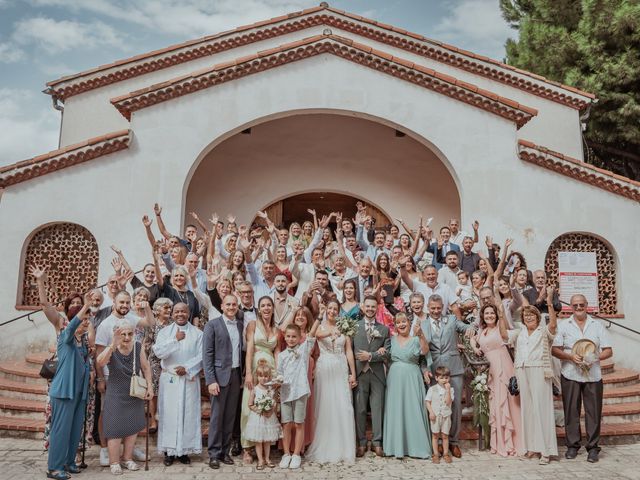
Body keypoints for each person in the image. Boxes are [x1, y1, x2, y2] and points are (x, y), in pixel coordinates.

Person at [552, 294, 613, 463]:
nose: (578, 308)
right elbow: (555, 350)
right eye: (575, 305)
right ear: (570, 307)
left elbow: (608, 350)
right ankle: (573, 446)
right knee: (571, 411)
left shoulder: (597, 325)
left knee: (593, 413)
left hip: (593, 375)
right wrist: (570, 357)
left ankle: (593, 448)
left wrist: (595, 357)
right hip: (570, 373)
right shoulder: (563, 325)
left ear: (587, 305)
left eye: (581, 305)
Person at [96, 319, 154, 475]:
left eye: (130, 333)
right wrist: (112, 344)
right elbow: (100, 362)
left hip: (134, 393)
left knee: (132, 427)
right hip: (116, 393)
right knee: (114, 428)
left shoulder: (137, 347)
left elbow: (146, 367)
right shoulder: (112, 348)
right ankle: (114, 462)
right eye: (123, 334)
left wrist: (150, 386)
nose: (127, 337)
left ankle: (127, 458)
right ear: (116, 334)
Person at [419, 294, 473, 458]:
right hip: (434, 368)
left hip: (454, 368)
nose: (436, 311)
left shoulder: (451, 319)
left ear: (443, 307)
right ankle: (439, 443)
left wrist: (471, 328)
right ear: (428, 308)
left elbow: (465, 327)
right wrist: (424, 369)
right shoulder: (423, 324)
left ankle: (454, 442)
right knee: (436, 407)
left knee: (455, 406)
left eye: (438, 308)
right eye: (433, 308)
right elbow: (421, 351)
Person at [305, 299, 357, 464]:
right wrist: (330, 332)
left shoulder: (345, 326)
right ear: (326, 309)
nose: (333, 311)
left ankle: (344, 447)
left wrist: (352, 373)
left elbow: (348, 351)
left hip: (341, 367)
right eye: (330, 308)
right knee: (325, 405)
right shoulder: (320, 326)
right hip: (325, 368)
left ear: (339, 311)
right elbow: (314, 335)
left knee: (343, 405)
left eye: (335, 309)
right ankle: (324, 444)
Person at [46, 294, 92, 480]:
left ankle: (69, 462)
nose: (87, 323)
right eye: (84, 320)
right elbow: (72, 326)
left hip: (79, 393)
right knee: (60, 430)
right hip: (64, 391)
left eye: (88, 320)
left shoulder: (83, 342)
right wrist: (85, 305)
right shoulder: (65, 338)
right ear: (74, 321)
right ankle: (54, 468)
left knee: (74, 431)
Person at [152, 303, 204, 466]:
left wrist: (187, 368)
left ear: (189, 313)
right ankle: (169, 451)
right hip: (170, 379)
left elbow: (202, 356)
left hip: (189, 378)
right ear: (172, 314)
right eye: (177, 311)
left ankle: (184, 451)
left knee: (188, 414)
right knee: (169, 414)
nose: (180, 314)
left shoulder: (197, 333)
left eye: (183, 311)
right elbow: (158, 352)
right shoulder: (165, 332)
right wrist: (175, 339)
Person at [472, 303, 525, 457]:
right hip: (490, 371)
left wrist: (501, 313)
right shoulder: (482, 330)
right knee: (495, 404)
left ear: (496, 315)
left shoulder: (499, 328)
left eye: (492, 313)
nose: (489, 316)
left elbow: (505, 336)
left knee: (507, 403)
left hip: (503, 366)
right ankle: (498, 442)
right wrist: (475, 348)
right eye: (486, 313)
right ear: (482, 316)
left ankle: (513, 442)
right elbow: (473, 340)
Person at [511, 294, 559, 465]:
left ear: (538, 317)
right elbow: (504, 335)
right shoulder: (521, 332)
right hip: (522, 369)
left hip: (540, 369)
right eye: (526, 315)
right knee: (528, 409)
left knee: (541, 409)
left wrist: (550, 304)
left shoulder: (543, 330)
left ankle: (546, 451)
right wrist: (501, 313)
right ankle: (531, 447)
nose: (529, 317)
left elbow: (553, 325)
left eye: (531, 315)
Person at [203, 295, 244, 469]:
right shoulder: (212, 325)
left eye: (234, 304)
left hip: (235, 376)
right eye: (228, 304)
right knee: (217, 417)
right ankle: (213, 453)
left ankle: (225, 451)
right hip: (219, 378)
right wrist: (211, 380)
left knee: (230, 417)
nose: (231, 307)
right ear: (222, 306)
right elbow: (207, 355)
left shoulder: (240, 325)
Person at [383, 313, 431, 459]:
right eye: (398, 322)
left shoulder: (416, 339)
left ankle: (417, 447)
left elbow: (425, 351)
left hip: (412, 377)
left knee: (413, 409)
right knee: (396, 410)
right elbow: (385, 356)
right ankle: (396, 446)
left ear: (409, 324)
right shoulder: (391, 340)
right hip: (395, 379)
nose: (402, 324)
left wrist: (421, 335)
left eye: (404, 321)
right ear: (395, 326)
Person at [240, 296, 280, 463]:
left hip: (269, 370)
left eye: (269, 305)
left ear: (272, 308)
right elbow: (249, 349)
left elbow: (277, 352)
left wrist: (278, 375)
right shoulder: (252, 325)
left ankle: (265, 447)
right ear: (259, 308)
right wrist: (249, 372)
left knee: (268, 405)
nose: (266, 308)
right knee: (248, 406)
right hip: (256, 368)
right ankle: (247, 448)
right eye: (263, 305)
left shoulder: (277, 329)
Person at [277, 320, 320, 469]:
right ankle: (286, 453)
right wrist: (277, 381)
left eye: (294, 336)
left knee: (298, 423)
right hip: (286, 392)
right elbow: (279, 374)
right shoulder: (281, 356)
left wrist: (319, 317)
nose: (290, 339)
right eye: (288, 336)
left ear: (299, 337)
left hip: (300, 391)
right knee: (287, 424)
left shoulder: (303, 350)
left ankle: (296, 454)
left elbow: (312, 334)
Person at [352, 296, 391, 457]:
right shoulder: (354, 326)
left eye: (373, 306)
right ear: (363, 307)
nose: (370, 309)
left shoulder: (383, 329)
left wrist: (371, 355)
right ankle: (361, 442)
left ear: (377, 308)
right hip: (360, 373)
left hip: (377, 374)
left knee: (377, 409)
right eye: (367, 306)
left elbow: (387, 353)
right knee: (360, 409)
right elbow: (349, 350)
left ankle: (377, 442)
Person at [143, 298, 174, 433]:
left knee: (168, 392)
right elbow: (147, 343)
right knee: (154, 392)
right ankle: (153, 421)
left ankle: (166, 420)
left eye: (169, 308)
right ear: (156, 310)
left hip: (169, 361)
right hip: (154, 362)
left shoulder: (173, 325)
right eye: (165, 308)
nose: (168, 310)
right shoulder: (153, 325)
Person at [245, 360, 282, 469]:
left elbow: (274, 402)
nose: (264, 378)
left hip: (269, 417)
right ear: (257, 376)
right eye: (261, 376)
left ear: (269, 376)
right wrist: (260, 410)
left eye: (266, 376)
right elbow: (250, 404)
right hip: (258, 418)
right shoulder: (255, 390)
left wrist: (270, 410)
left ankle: (267, 458)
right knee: (259, 441)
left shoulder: (271, 390)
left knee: (267, 440)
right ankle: (260, 460)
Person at [426, 366, 454, 464]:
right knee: (435, 435)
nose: (444, 380)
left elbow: (448, 401)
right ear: (436, 378)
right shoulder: (432, 389)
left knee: (445, 435)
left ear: (449, 378)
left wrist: (448, 390)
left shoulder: (450, 390)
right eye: (441, 378)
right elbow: (428, 402)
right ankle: (436, 454)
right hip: (435, 416)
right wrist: (431, 412)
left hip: (446, 416)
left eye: (446, 378)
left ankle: (446, 454)